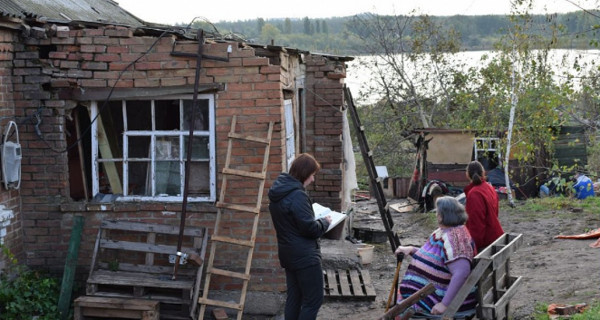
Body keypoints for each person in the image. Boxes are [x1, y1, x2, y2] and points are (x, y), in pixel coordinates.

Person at [268, 153, 332, 320]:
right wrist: (325, 223)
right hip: (305, 256)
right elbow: (309, 229)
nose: (312, 180)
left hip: (288, 254)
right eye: (312, 175)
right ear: (304, 174)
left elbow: (295, 223)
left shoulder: (278, 192)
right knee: (313, 300)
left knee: (294, 298)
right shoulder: (297, 195)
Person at [394, 196, 477, 317]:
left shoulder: (455, 239)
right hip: (432, 293)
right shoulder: (447, 231)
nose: (436, 214)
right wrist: (411, 249)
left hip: (440, 298)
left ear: (442, 216)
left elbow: (462, 272)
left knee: (399, 310)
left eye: (438, 212)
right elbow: (434, 257)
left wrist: (444, 304)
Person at [464, 160, 504, 252]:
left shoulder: (474, 194)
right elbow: (495, 212)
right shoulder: (489, 187)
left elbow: (477, 225)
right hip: (495, 234)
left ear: (467, 175)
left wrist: (474, 248)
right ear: (483, 172)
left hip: (486, 241)